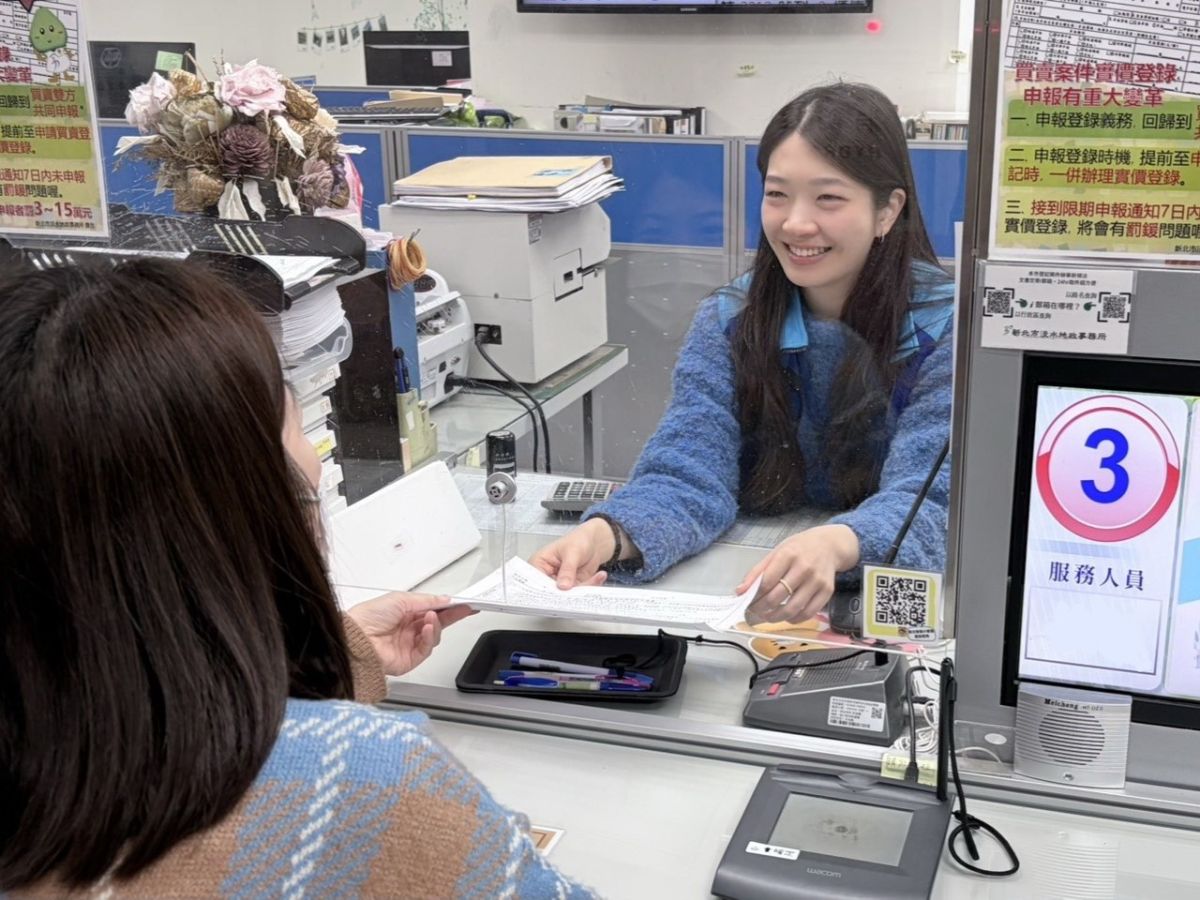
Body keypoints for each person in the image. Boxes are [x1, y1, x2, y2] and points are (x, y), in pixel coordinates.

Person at [0, 258, 594, 898]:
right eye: (300, 423)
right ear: (254, 501)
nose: (313, 460)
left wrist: (340, 655)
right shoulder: (368, 779)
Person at [533, 82, 954, 626]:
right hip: (754, 596)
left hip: (880, 605)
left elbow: (934, 503)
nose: (796, 223)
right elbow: (688, 473)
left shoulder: (943, 330)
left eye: (828, 198)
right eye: (777, 194)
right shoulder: (731, 319)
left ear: (887, 210)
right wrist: (611, 532)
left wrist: (841, 541)